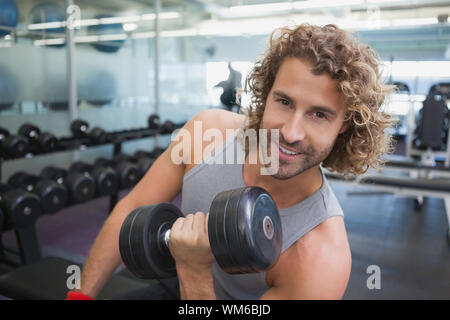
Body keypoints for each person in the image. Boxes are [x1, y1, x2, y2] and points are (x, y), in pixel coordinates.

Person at [67, 23, 395, 300]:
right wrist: (79, 296)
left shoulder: (321, 256)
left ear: (345, 127)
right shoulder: (206, 133)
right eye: (284, 102)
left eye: (319, 114)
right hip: (171, 284)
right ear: (265, 95)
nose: (291, 133)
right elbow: (133, 206)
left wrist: (195, 269)